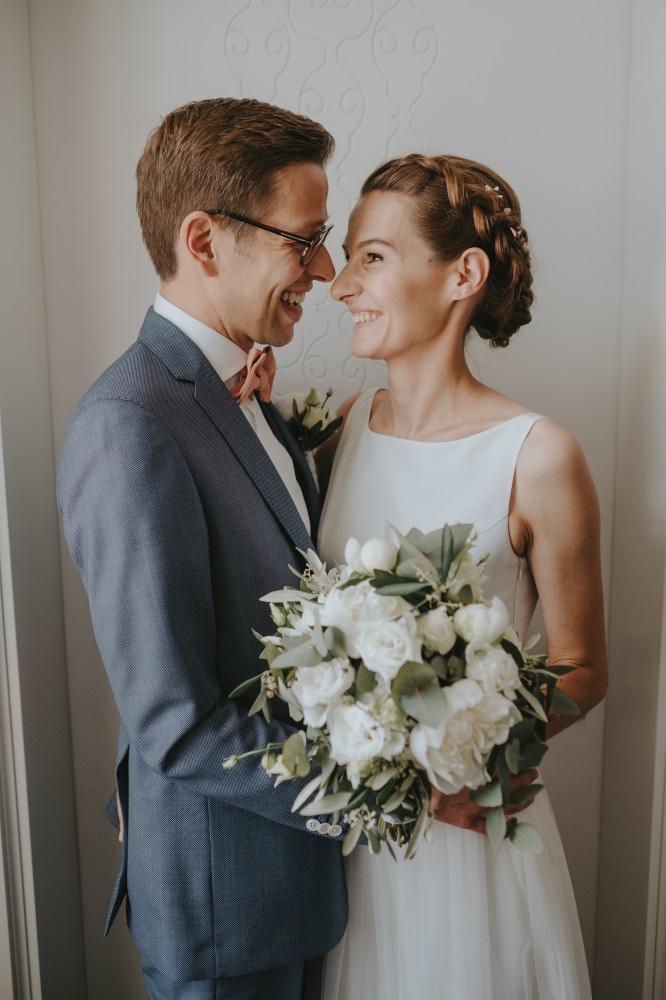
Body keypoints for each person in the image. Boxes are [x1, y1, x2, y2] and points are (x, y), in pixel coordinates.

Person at [57, 97, 348, 1000]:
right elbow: (174, 720)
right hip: (229, 910)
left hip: (285, 886)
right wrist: (371, 792)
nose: (326, 268)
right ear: (204, 241)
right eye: (306, 240)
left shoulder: (240, 388)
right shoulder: (129, 424)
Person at [317, 153, 608, 1000]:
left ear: (463, 276)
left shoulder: (539, 456)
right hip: (355, 839)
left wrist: (469, 757)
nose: (342, 286)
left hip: (471, 834)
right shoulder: (342, 428)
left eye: (372, 257)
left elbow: (585, 667)